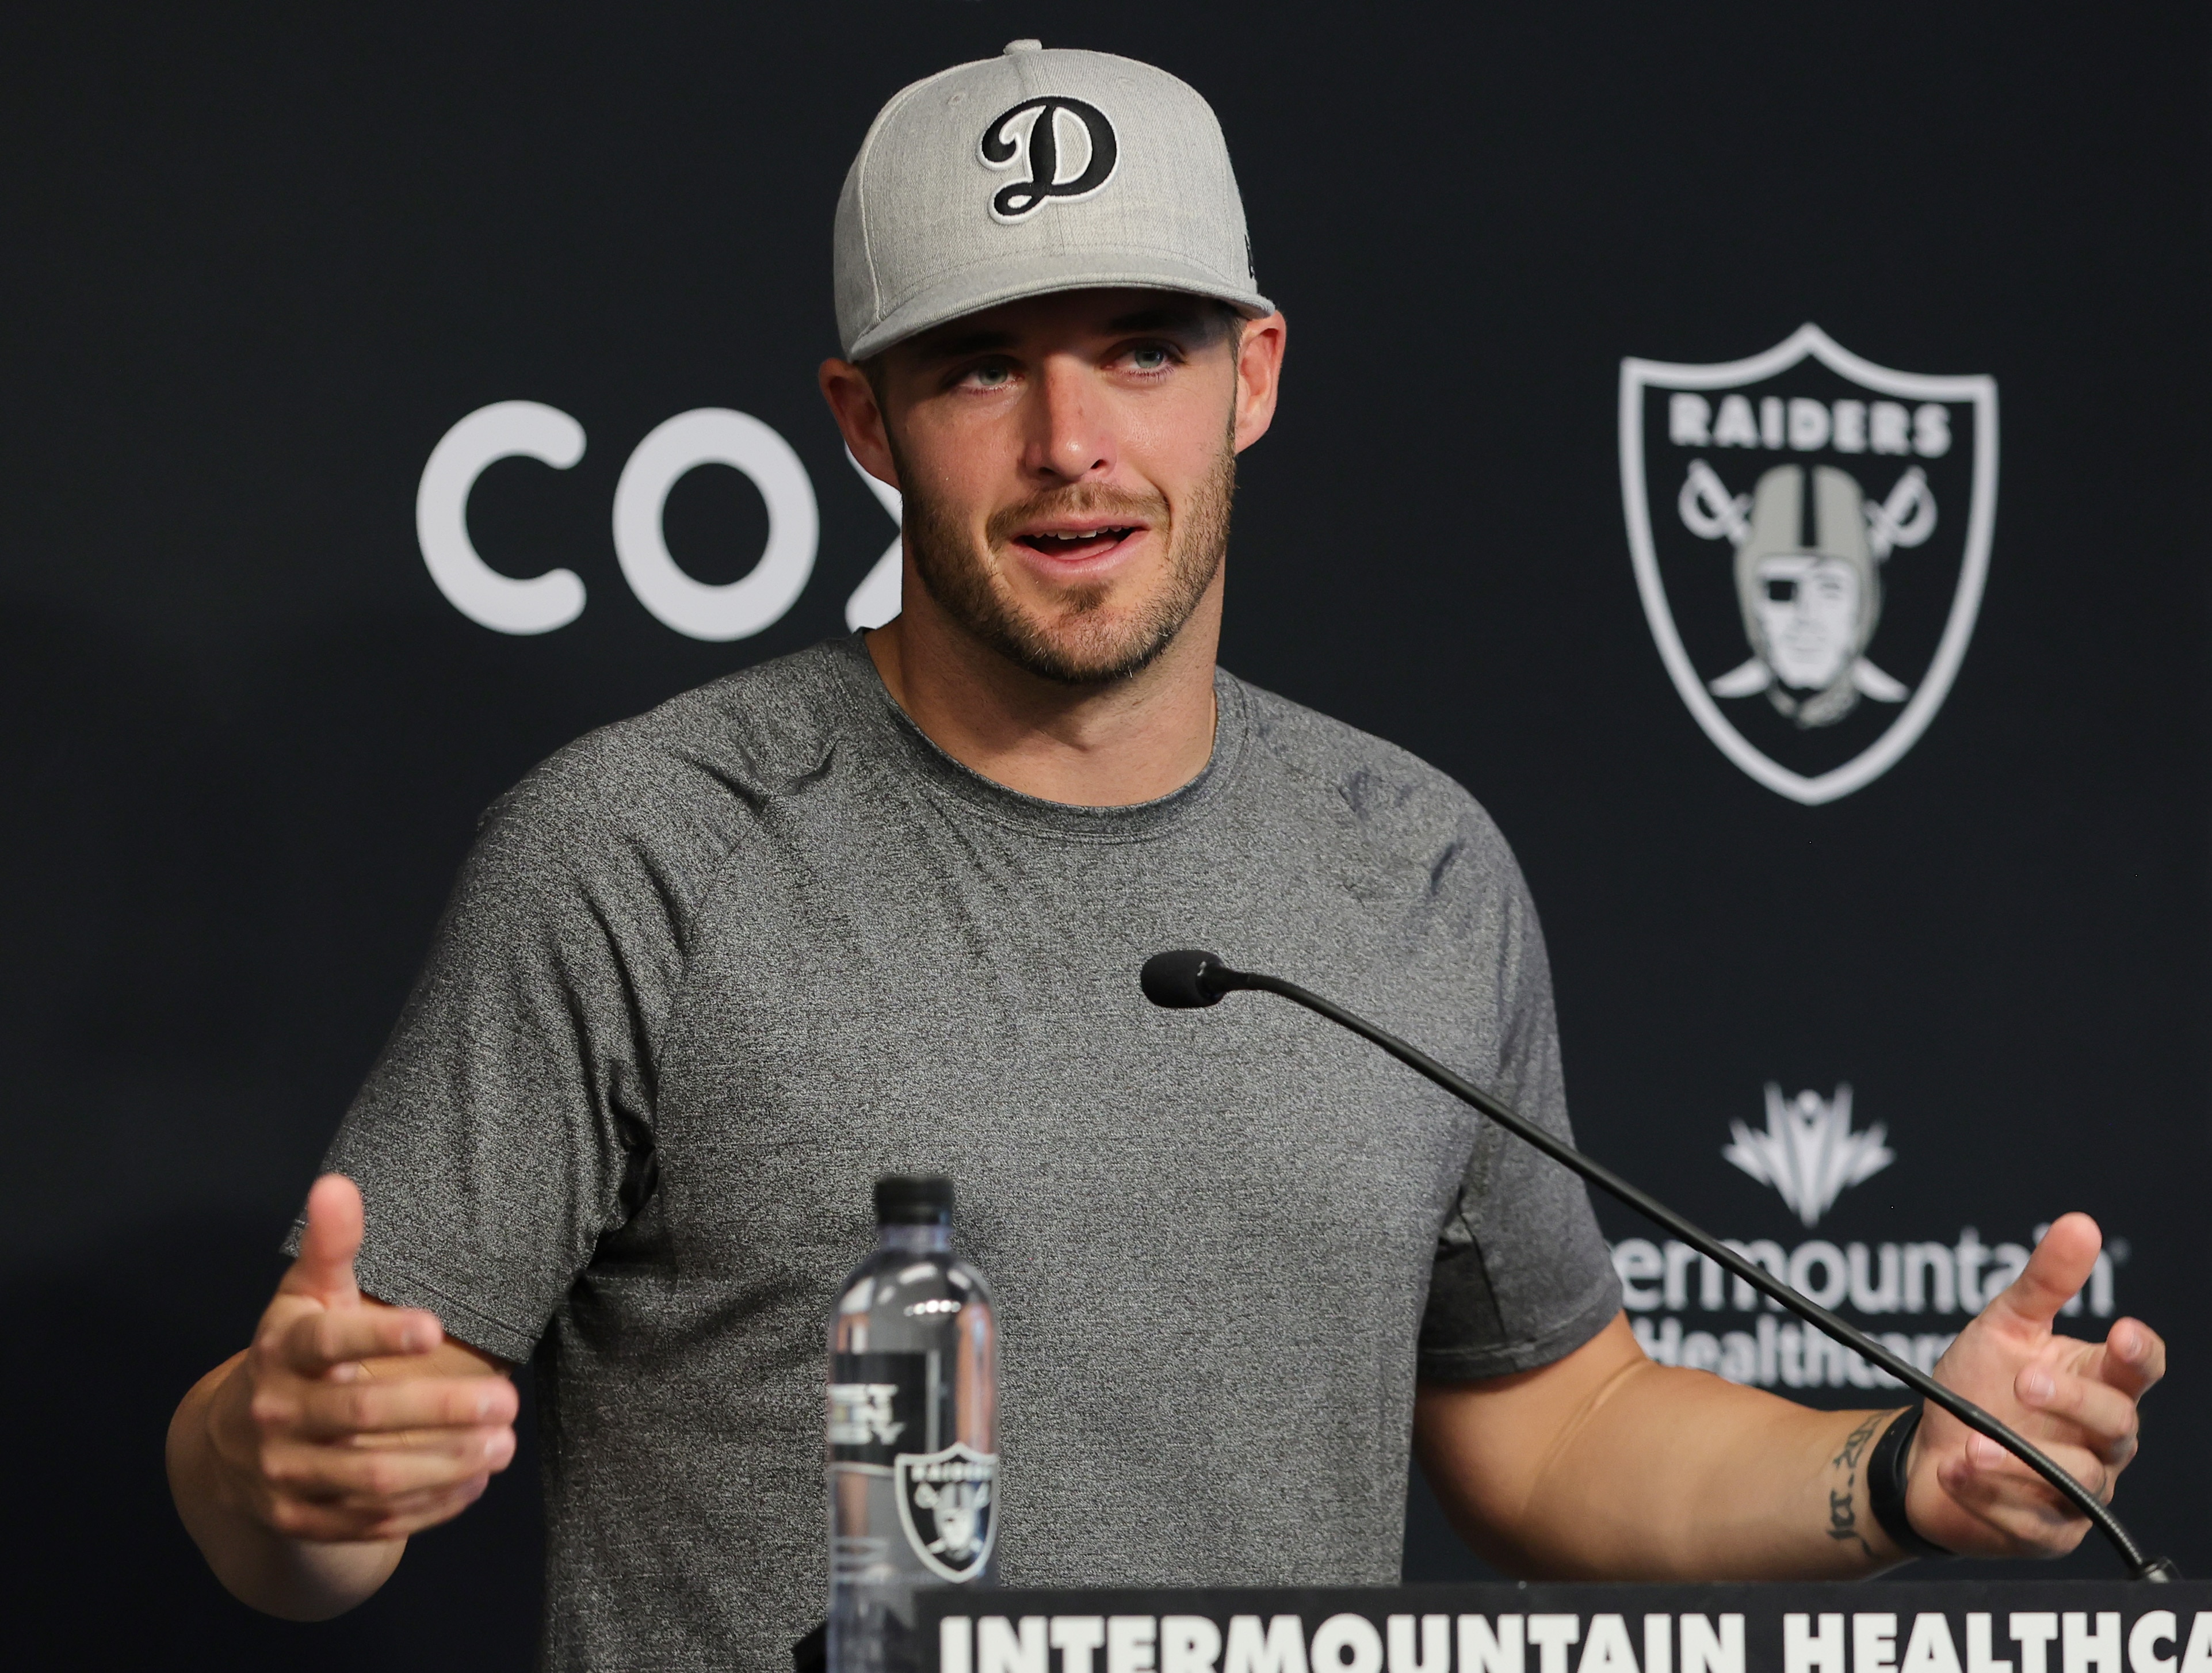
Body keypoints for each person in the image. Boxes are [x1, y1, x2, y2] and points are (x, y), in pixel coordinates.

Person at [167, 39, 2163, 1673]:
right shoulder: (640, 847)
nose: (1070, 441)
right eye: (979, 364)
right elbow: (291, 1497)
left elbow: (1547, 1426)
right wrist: (280, 1474)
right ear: (864, 421)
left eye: (1140, 346)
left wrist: (1902, 1469)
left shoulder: (1416, 866)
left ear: (1254, 378)